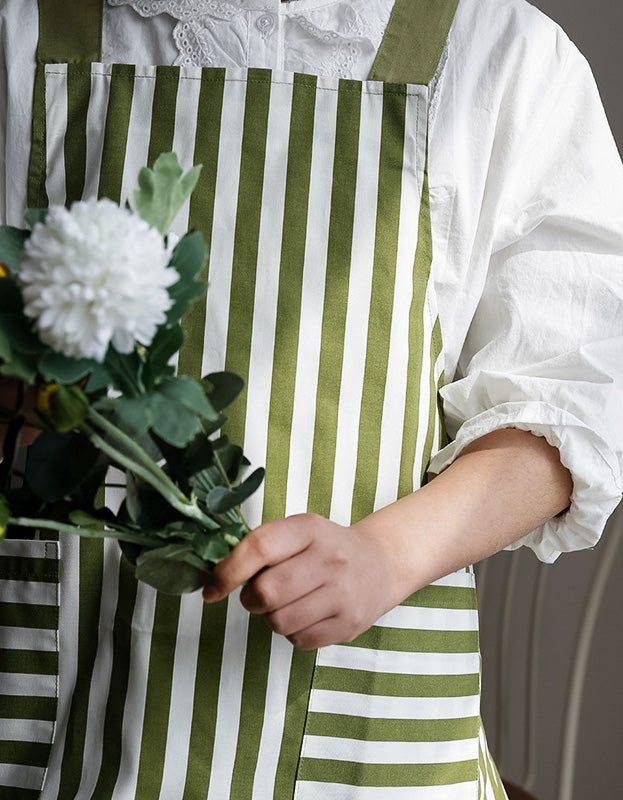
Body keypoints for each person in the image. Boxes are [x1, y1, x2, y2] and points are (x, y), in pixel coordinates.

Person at [0, 0, 622, 798]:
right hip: (56, 703)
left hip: (366, 720)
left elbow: (578, 390)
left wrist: (386, 557)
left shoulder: (499, 54)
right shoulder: (25, 32)